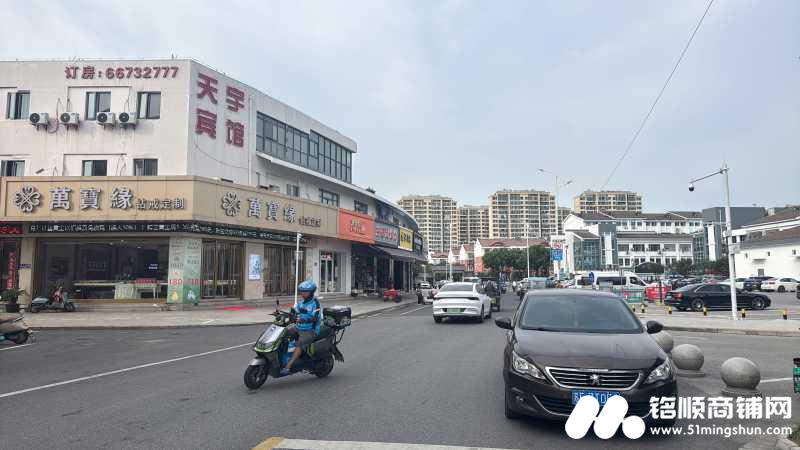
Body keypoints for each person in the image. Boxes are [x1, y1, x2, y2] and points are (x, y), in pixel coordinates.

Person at [280, 280, 322, 376]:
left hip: (311, 330)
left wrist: (303, 320)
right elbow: (294, 312)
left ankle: (288, 366)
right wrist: (285, 315)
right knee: (283, 334)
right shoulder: (301, 303)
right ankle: (282, 357)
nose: (302, 293)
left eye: (305, 292)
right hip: (299, 328)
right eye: (301, 291)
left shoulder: (315, 304)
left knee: (300, 344)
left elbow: (315, 318)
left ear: (311, 292)